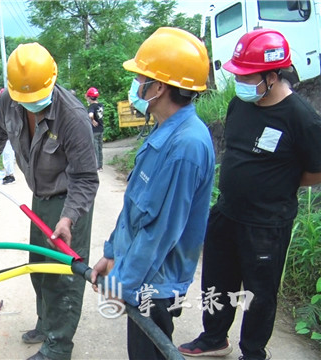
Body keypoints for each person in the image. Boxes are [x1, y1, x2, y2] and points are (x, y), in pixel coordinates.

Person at [178, 29, 321, 360]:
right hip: (227, 211)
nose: (239, 81)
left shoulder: (301, 117)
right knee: (217, 280)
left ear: (272, 75)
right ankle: (214, 338)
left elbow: (316, 169)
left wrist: (280, 183)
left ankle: (254, 351)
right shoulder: (240, 104)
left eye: (247, 75)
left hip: (266, 222)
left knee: (260, 292)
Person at [90, 27, 215, 360]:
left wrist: (123, 284)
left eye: (142, 77)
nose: (137, 84)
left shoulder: (185, 147)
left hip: (154, 284)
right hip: (143, 273)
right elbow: (135, 206)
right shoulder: (166, 131)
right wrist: (113, 252)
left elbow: (161, 234)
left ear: (158, 87)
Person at [0, 43, 99, 360]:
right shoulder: (9, 101)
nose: (33, 106)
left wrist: (68, 218)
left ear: (52, 80)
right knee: (39, 270)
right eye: (25, 99)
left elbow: (86, 178)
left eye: (38, 98)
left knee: (63, 276)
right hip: (40, 195)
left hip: (71, 199)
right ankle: (46, 325)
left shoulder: (72, 117)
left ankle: (59, 347)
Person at [85, 87, 104, 171]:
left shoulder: (92, 106)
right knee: (100, 148)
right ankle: (100, 166)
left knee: (95, 148)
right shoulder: (100, 105)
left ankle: (96, 166)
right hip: (101, 129)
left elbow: (90, 115)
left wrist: (92, 121)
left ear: (89, 98)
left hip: (94, 130)